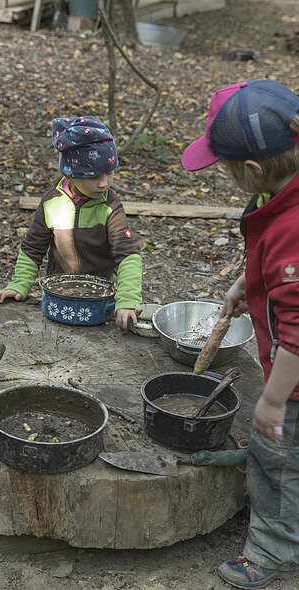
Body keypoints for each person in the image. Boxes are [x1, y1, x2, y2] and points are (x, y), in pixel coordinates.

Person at [182, 79, 299, 589]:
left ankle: (273, 552)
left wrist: (273, 402)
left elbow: (298, 335)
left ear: (251, 171)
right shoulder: (284, 193)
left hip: (294, 380)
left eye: (225, 169)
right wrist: (242, 284)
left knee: (275, 457)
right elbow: (274, 267)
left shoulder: (293, 230)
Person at [0, 116, 142, 330]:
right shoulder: (51, 203)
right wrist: (19, 284)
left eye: (109, 173)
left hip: (103, 297)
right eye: (93, 176)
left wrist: (127, 300)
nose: (103, 183)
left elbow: (128, 255)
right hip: (61, 295)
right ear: (70, 174)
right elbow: (32, 248)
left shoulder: (110, 205)